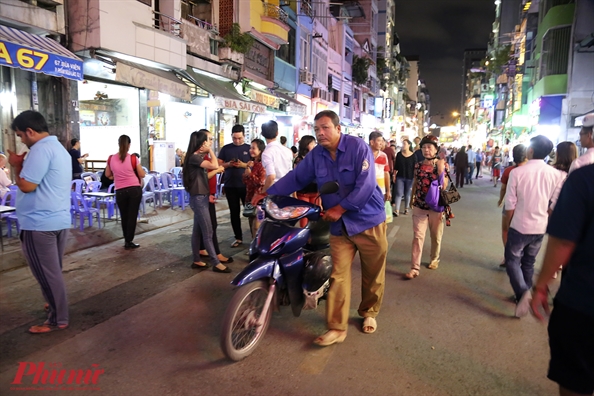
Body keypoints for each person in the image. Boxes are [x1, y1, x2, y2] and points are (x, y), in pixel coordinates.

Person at [267, 110, 388, 346]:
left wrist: (341, 208)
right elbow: (296, 177)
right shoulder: (316, 155)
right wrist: (268, 193)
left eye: (325, 128)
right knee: (338, 276)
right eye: (316, 129)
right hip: (339, 225)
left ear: (338, 128)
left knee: (373, 273)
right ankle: (337, 327)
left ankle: (369, 312)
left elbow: (366, 185)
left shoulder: (358, 148)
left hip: (368, 220)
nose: (320, 133)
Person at [530, 164, 594, 396]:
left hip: (584, 303)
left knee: (576, 381)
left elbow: (564, 243)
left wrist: (541, 286)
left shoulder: (584, 179)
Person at [7, 110, 71, 333]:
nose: (21, 141)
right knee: (53, 272)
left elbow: (27, 186)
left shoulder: (40, 150)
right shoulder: (59, 149)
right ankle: (54, 305)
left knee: (47, 274)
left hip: (39, 222)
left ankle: (57, 319)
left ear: (30, 131)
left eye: (20, 136)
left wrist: (16, 165)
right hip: (58, 220)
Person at [503, 135, 564, 317]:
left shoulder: (517, 172)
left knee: (512, 259)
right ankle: (524, 292)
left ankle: (522, 293)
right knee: (529, 261)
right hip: (540, 226)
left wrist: (507, 223)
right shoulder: (556, 174)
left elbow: (510, 204)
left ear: (530, 150)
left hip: (520, 224)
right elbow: (555, 203)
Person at [184, 130, 231, 273]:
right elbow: (215, 165)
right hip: (198, 198)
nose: (211, 142)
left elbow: (205, 176)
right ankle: (216, 263)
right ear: (202, 142)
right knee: (208, 231)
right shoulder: (195, 157)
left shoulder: (197, 157)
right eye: (209, 140)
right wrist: (211, 150)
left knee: (198, 230)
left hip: (201, 196)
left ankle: (197, 260)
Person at [404, 134, 448, 279]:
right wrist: (411, 199)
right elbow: (415, 183)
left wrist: (441, 171)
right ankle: (414, 268)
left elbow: (445, 186)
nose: (426, 150)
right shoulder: (418, 165)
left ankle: (434, 258)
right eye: (423, 147)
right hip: (420, 205)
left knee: (435, 235)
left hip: (436, 206)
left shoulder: (441, 165)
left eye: (429, 147)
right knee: (418, 236)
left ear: (436, 149)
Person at [104, 135, 146, 249]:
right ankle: (129, 240)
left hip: (120, 190)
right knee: (132, 216)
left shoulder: (111, 158)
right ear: (129, 145)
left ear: (119, 144)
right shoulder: (133, 158)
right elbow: (142, 174)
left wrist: (117, 176)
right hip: (134, 190)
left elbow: (107, 175)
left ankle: (126, 240)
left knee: (124, 216)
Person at [218, 125, 251, 248]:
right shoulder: (226, 149)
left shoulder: (249, 148)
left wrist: (243, 165)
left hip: (246, 186)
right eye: (234, 138)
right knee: (234, 212)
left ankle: (254, 237)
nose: (237, 141)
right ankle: (238, 237)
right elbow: (219, 164)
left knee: (250, 212)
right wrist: (228, 164)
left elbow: (256, 166)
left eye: (240, 138)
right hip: (230, 185)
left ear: (244, 136)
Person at [198, 150, 232, 265]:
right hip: (204, 195)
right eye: (208, 140)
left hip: (207, 194)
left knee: (201, 226)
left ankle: (201, 250)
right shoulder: (198, 159)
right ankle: (216, 256)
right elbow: (204, 176)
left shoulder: (205, 157)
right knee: (211, 225)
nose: (210, 143)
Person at [497, 144, 528, 268]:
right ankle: (522, 256)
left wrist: (500, 200)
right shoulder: (531, 170)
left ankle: (508, 255)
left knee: (506, 230)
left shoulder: (509, 170)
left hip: (510, 205)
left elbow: (503, 188)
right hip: (526, 205)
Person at [242, 139, 267, 238]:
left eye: (253, 148)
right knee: (251, 222)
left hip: (259, 198)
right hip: (250, 197)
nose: (250, 150)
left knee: (257, 225)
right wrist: (246, 174)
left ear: (260, 150)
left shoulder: (263, 164)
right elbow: (245, 181)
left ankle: (258, 246)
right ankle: (253, 246)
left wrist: (250, 175)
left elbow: (262, 182)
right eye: (250, 148)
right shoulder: (251, 163)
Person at [261, 120, 293, 192]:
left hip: (274, 190)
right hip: (287, 188)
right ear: (277, 133)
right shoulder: (288, 151)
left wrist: (262, 193)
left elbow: (271, 176)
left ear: (262, 134)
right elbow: (290, 174)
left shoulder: (267, 153)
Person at [294, 135, 318, 228]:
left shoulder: (316, 157)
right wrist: (294, 193)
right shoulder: (299, 159)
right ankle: (305, 238)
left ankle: (312, 238)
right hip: (303, 192)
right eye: (313, 143)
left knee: (314, 217)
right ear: (307, 144)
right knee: (304, 217)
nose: (315, 145)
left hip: (315, 191)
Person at [393, 139, 415, 216]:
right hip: (400, 177)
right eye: (402, 144)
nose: (403, 145)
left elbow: (415, 168)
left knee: (407, 194)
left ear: (409, 145)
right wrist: (394, 175)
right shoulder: (399, 154)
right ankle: (397, 210)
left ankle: (406, 208)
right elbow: (396, 166)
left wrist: (415, 180)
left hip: (410, 178)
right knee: (399, 193)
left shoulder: (413, 155)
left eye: (404, 144)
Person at [369, 132, 391, 202]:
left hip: (380, 190)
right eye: (379, 141)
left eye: (382, 141)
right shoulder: (364, 154)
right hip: (366, 189)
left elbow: (386, 173)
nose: (381, 143)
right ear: (372, 142)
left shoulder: (383, 156)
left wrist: (388, 191)